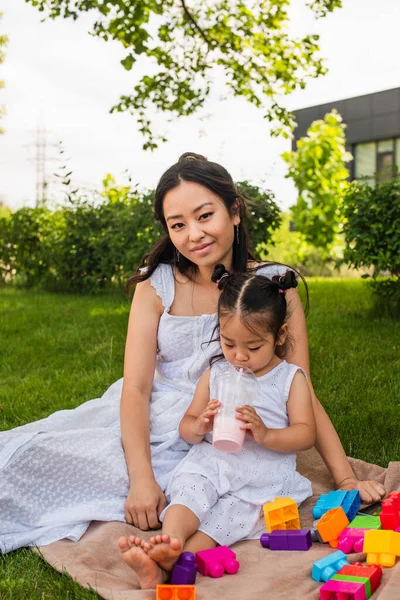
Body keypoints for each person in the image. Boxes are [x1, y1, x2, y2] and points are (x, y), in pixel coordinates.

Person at [0, 152, 384, 554]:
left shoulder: (271, 289)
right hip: (155, 423)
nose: (194, 234)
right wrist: (141, 477)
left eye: (205, 216)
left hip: (231, 433)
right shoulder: (157, 287)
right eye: (178, 225)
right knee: (50, 461)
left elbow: (300, 389)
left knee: (170, 489)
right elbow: (136, 389)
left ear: (234, 211)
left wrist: (344, 480)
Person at [118, 265, 317, 589]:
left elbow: (306, 433)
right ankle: (170, 540)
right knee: (189, 487)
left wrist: (266, 435)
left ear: (279, 336)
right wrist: (200, 425)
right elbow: (187, 426)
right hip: (214, 459)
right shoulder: (216, 374)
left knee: (229, 518)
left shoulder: (289, 378)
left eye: (253, 347)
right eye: (229, 344)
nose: (239, 356)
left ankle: (169, 564)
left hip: (262, 472)